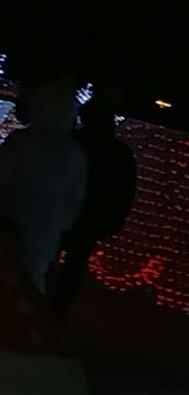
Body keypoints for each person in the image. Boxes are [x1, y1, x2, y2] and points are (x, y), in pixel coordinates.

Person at [50, 96, 140, 316]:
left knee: (50, 262)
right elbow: (124, 191)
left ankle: (44, 310)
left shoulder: (74, 142)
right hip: (86, 218)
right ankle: (55, 314)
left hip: (66, 214)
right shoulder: (116, 151)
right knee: (69, 268)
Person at [0, 79, 86, 293]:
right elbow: (75, 197)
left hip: (10, 216)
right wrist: (62, 224)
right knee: (33, 275)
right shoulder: (73, 152)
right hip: (47, 225)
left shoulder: (21, 141)